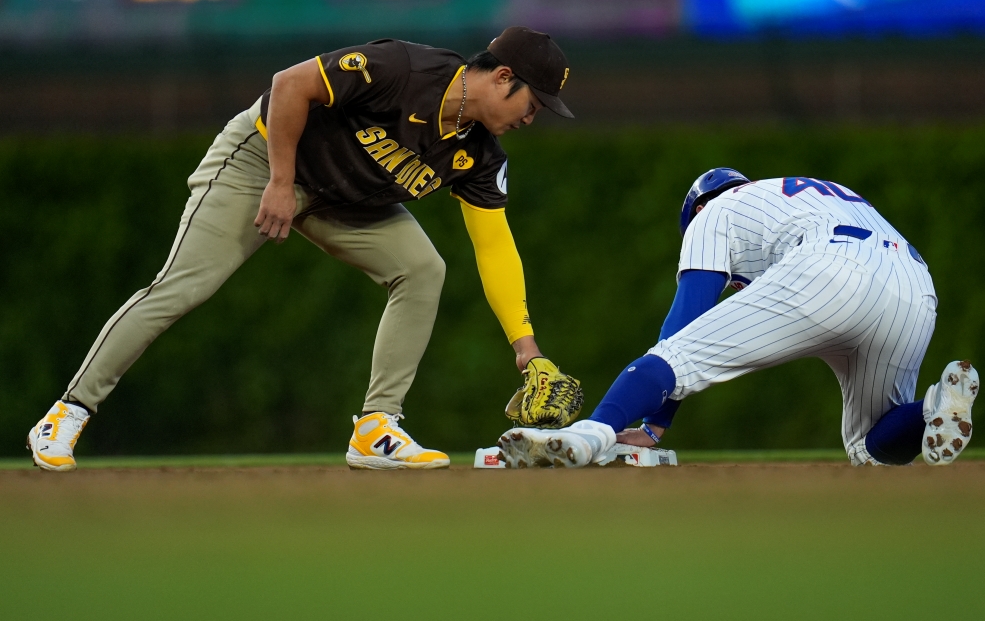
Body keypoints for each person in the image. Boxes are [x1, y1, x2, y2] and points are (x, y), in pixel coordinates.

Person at [28, 26, 577, 471]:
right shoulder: (405, 70)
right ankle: (67, 414)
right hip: (262, 161)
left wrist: (525, 345)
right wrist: (278, 181)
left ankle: (376, 428)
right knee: (183, 286)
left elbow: (495, 248)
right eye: (534, 102)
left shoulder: (481, 155)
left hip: (347, 199)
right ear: (503, 76)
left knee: (422, 269)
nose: (532, 118)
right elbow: (290, 84)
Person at [498, 168, 980, 468]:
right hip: (916, 289)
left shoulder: (715, 211)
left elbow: (685, 324)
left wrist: (654, 424)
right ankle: (936, 407)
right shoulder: (801, 195)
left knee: (674, 355)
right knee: (868, 446)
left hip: (831, 271)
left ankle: (589, 435)